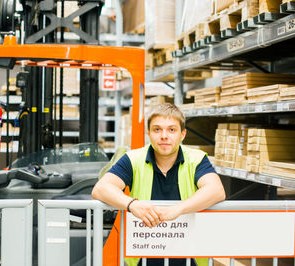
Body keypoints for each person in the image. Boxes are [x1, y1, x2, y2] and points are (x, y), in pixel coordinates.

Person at [92, 103, 226, 266]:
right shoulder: (133, 159)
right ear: (148, 133)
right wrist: (132, 205)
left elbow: (216, 190)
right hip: (144, 256)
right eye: (157, 129)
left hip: (190, 258)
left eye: (171, 130)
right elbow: (101, 188)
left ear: (182, 134)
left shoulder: (196, 159)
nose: (164, 136)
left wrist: (178, 209)